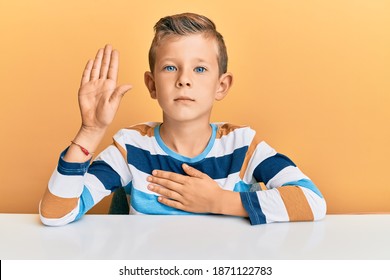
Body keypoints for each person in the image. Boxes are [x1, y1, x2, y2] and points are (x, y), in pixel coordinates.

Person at [39, 12, 326, 226]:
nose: (184, 80)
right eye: (170, 67)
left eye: (200, 69)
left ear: (221, 86)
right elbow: (55, 214)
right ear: (152, 85)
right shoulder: (131, 148)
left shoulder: (243, 145)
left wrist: (219, 201)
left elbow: (312, 201)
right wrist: (91, 130)